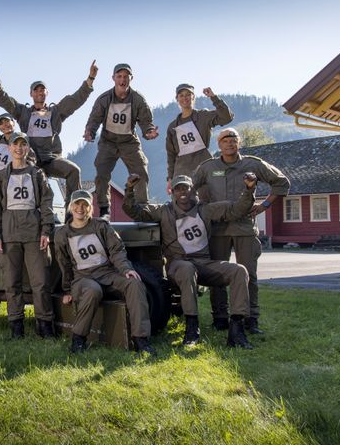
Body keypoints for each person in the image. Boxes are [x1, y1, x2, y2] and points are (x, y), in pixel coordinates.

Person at [123, 174, 257, 349]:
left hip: (203, 263)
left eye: (185, 188)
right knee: (187, 268)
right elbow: (134, 210)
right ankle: (192, 328)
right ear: (173, 192)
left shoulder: (205, 210)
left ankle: (237, 330)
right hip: (178, 265)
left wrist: (249, 189)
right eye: (178, 189)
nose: (182, 192)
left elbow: (236, 209)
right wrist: (129, 189)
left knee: (240, 271)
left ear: (192, 190)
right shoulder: (164, 211)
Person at [193, 128, 290, 334]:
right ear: (219, 145)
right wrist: (203, 208)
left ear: (239, 142)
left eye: (233, 140)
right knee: (217, 275)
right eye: (225, 140)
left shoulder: (252, 164)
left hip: (244, 227)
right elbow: (189, 188)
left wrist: (264, 205)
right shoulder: (208, 167)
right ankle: (220, 317)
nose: (229, 143)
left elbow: (281, 182)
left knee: (249, 275)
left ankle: (250, 318)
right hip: (218, 228)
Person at [55, 190, 155, 354]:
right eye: (77, 204)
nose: (80, 208)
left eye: (85, 205)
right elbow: (64, 263)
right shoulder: (62, 234)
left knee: (134, 284)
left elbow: (117, 250)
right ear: (70, 207)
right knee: (93, 290)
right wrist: (67, 290)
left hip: (107, 274)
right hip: (83, 278)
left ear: (90, 208)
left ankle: (141, 340)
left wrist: (126, 269)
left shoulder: (101, 226)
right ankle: (78, 340)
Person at [0, 57, 97, 206]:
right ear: (31, 94)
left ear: (47, 93)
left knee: (74, 170)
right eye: (36, 90)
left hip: (51, 159)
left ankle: (71, 215)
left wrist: (90, 78)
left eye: (42, 90)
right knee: (34, 186)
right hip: (30, 161)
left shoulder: (56, 112)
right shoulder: (23, 112)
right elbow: (3, 98)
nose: (39, 92)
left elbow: (76, 99)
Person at [0, 132, 55, 338]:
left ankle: (44, 325)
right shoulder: (0, 177)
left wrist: (46, 230)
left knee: (40, 282)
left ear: (27, 149)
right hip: (9, 235)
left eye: (23, 145)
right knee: (12, 283)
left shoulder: (37, 174)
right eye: (15, 145)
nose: (19, 148)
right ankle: (16, 326)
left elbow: (46, 204)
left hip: (34, 234)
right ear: (9, 148)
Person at [83, 63, 157, 216]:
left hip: (129, 141)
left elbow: (146, 121)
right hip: (108, 141)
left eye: (126, 77)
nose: (122, 80)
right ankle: (104, 209)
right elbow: (94, 119)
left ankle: (142, 206)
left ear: (131, 78)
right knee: (101, 172)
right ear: (113, 78)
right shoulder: (104, 99)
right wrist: (90, 132)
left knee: (141, 170)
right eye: (119, 76)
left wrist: (149, 131)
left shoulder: (138, 100)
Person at [165, 84, 234, 193]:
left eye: (188, 95)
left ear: (193, 97)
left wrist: (214, 97)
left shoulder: (203, 116)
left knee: (208, 202)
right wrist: (170, 179)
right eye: (181, 95)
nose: (185, 98)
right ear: (177, 99)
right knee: (183, 207)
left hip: (204, 170)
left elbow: (227, 117)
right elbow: (171, 154)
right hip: (181, 174)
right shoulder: (172, 127)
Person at [0, 76, 37, 193]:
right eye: (1, 124)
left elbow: (31, 162)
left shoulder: (22, 142)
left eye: (7, 121)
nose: (5, 125)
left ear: (13, 123)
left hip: (10, 189)